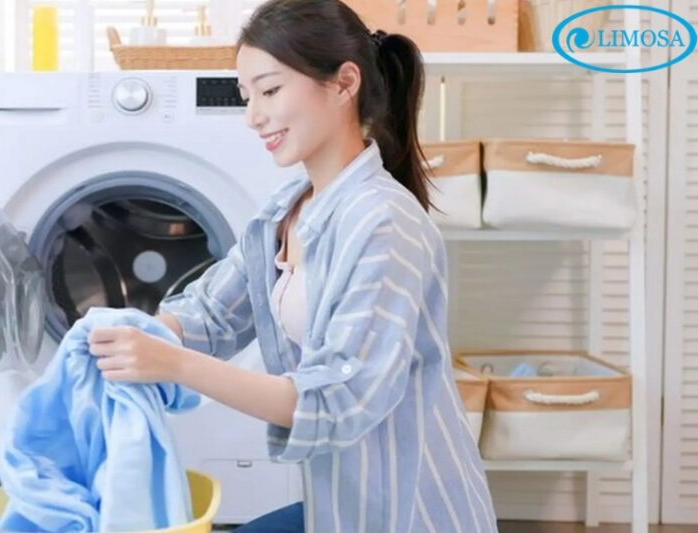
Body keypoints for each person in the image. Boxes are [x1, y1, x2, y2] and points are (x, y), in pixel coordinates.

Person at [86, 0, 498, 531]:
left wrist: (172, 364)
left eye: (270, 90)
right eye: (246, 96)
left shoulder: (385, 224)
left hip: (411, 512)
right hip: (340, 505)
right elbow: (212, 315)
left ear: (344, 83)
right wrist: (126, 335)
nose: (253, 116)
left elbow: (340, 400)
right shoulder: (286, 211)